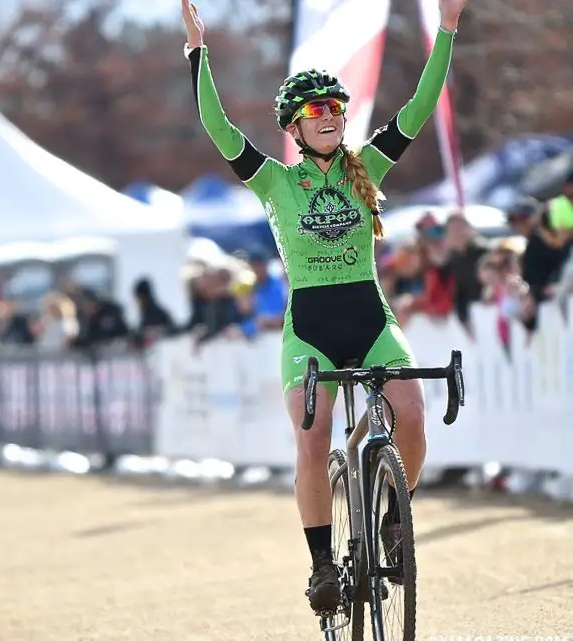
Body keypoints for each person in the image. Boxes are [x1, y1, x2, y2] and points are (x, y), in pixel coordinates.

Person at [181, 0, 469, 615]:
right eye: (317, 110)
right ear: (295, 124)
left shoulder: (368, 164)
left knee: (412, 415)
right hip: (309, 326)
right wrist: (198, 53)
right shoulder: (276, 181)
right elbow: (220, 129)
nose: (331, 115)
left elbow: (418, 109)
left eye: (336, 107)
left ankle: (394, 516)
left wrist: (444, 30)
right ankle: (319, 567)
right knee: (312, 439)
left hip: (369, 316)